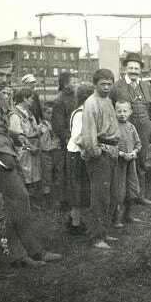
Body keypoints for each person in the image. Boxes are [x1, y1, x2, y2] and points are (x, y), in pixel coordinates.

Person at [0, 50, 62, 267]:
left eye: (8, 75)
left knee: (11, 204)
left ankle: (19, 255)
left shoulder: (0, 95)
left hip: (6, 153)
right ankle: (33, 252)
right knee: (20, 198)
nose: (5, 79)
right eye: (0, 74)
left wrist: (15, 135)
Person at [81, 68, 121, 250]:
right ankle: (96, 237)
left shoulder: (107, 100)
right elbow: (89, 132)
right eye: (102, 84)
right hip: (100, 153)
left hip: (112, 151)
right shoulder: (91, 103)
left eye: (109, 84)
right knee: (100, 198)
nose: (106, 87)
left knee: (112, 196)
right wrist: (95, 152)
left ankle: (103, 231)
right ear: (95, 84)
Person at [112, 53, 151, 205]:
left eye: (136, 68)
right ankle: (122, 196)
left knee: (141, 161)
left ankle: (139, 195)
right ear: (125, 69)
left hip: (144, 128)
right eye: (130, 68)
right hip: (125, 130)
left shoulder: (145, 85)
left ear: (140, 70)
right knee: (123, 161)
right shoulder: (117, 86)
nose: (133, 71)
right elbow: (110, 108)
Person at [65, 84, 95, 236]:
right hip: (77, 154)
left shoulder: (85, 111)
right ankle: (75, 224)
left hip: (80, 154)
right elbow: (78, 137)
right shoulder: (80, 114)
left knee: (81, 188)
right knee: (77, 189)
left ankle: (74, 219)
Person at [8, 87, 43, 207]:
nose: (33, 101)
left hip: (33, 148)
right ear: (24, 98)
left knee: (33, 176)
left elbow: (33, 128)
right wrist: (30, 146)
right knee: (25, 175)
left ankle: (32, 202)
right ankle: (24, 203)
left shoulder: (29, 112)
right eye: (31, 98)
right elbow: (18, 136)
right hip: (24, 149)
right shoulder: (15, 115)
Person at [111, 101, 142, 228]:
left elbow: (138, 144)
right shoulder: (113, 127)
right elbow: (111, 146)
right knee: (119, 190)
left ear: (130, 112)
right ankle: (115, 218)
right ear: (115, 112)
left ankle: (127, 215)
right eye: (119, 111)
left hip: (131, 163)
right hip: (119, 164)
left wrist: (134, 152)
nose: (122, 114)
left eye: (125, 111)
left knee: (132, 188)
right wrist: (122, 154)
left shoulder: (131, 127)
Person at [51, 72, 79, 210]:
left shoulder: (76, 98)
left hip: (77, 139)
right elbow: (58, 125)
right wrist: (67, 138)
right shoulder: (59, 101)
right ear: (65, 85)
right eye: (74, 82)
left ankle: (75, 198)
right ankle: (64, 201)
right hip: (67, 142)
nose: (76, 85)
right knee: (65, 171)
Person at [39, 104, 61, 205]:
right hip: (46, 152)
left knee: (58, 172)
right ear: (43, 113)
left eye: (53, 113)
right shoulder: (41, 126)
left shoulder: (57, 124)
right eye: (48, 113)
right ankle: (47, 199)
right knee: (46, 173)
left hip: (56, 150)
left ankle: (57, 198)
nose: (51, 115)